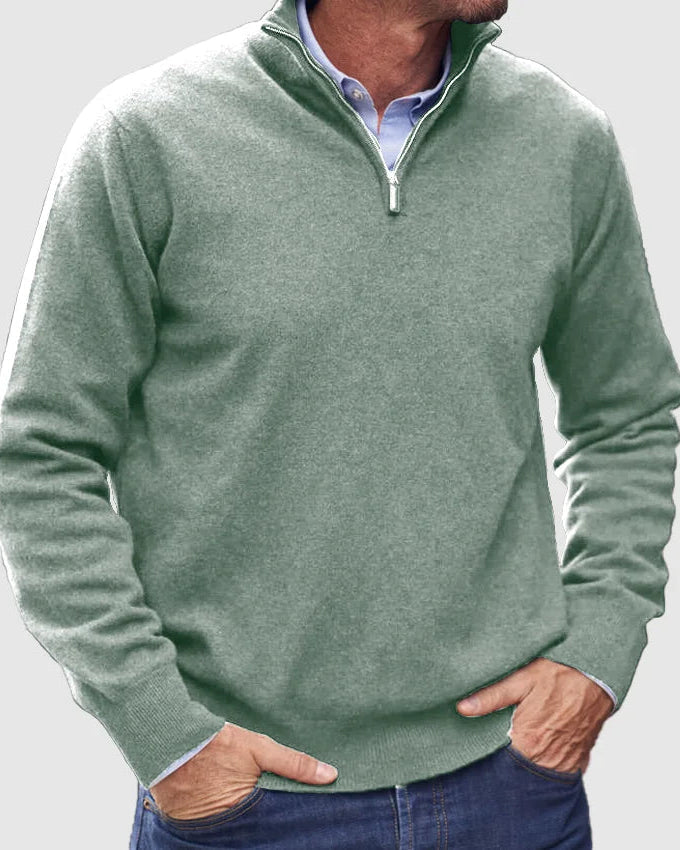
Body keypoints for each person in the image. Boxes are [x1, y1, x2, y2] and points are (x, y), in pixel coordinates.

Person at [1, 0, 679, 847]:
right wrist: (160, 729)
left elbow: (628, 415)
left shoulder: (563, 138)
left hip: (511, 787)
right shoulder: (145, 135)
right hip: (247, 802)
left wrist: (600, 650)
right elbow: (42, 451)